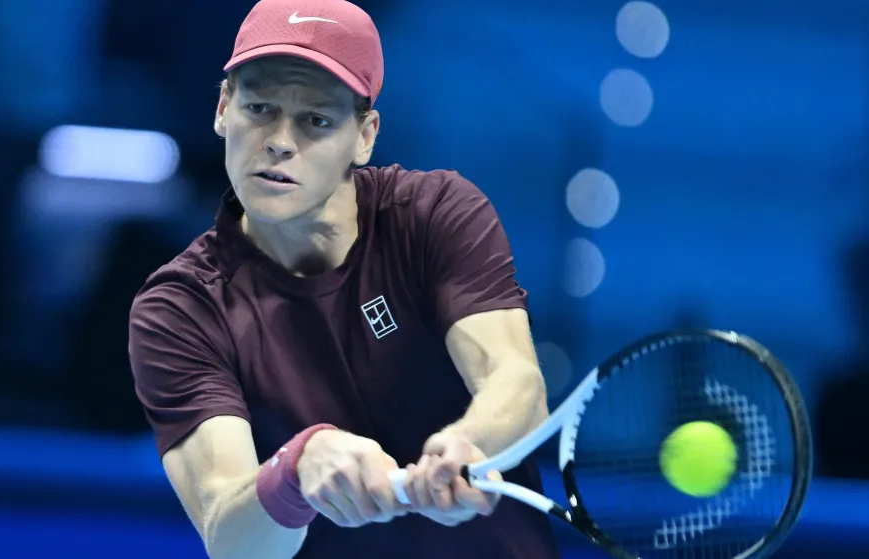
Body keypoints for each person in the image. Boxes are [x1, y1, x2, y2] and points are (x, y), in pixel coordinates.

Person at [128, 0, 561, 557]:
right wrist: (295, 469)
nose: (280, 140)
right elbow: (231, 538)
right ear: (222, 108)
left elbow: (517, 381)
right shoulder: (181, 306)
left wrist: (467, 444)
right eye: (259, 107)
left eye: (316, 120)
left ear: (365, 136)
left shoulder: (436, 214)